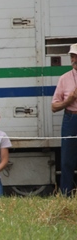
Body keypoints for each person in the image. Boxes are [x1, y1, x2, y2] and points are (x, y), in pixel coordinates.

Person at [51, 43, 77, 196]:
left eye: (76, 56)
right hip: (71, 117)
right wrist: (70, 100)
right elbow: (54, 107)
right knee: (67, 158)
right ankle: (66, 193)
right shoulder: (64, 78)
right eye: (72, 56)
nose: (74, 59)